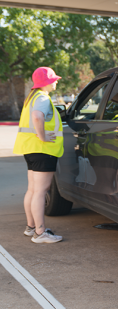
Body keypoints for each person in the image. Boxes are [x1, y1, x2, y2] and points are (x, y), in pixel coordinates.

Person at [13, 67, 65, 243]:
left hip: (30, 149)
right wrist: (43, 137)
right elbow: (37, 117)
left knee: (33, 190)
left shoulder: (32, 97)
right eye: (54, 79)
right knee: (41, 191)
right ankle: (40, 233)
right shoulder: (42, 97)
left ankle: (31, 228)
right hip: (42, 150)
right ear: (47, 82)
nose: (56, 81)